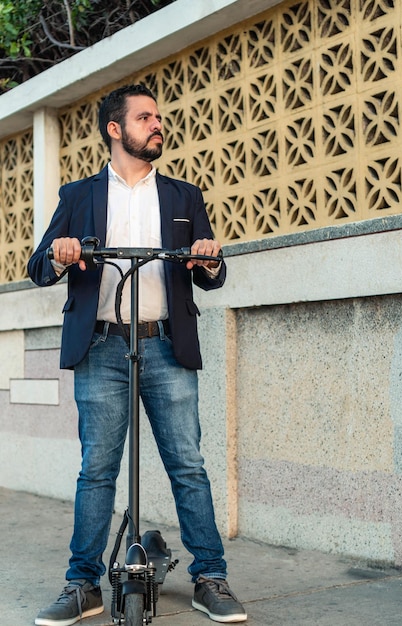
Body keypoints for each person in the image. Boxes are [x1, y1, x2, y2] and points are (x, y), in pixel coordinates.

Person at [28, 83, 247, 625]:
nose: (157, 124)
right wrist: (59, 255)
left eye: (158, 117)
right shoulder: (79, 197)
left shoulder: (182, 195)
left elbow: (213, 274)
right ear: (115, 129)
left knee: (188, 466)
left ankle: (210, 577)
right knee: (96, 470)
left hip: (166, 344)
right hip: (101, 346)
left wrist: (208, 259)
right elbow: (38, 268)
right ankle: (82, 586)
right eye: (145, 117)